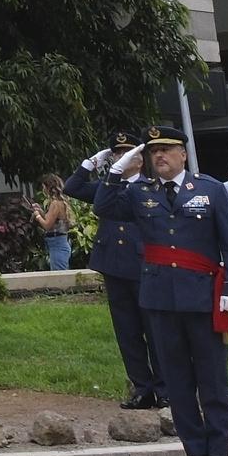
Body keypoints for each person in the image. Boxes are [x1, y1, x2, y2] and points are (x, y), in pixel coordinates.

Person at [111, 128, 228, 456]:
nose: (160, 157)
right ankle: (194, 451)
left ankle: (218, 451)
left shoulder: (209, 189)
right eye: (154, 152)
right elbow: (101, 205)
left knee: (212, 379)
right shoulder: (140, 192)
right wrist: (113, 172)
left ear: (183, 154)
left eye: (167, 150)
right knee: (177, 381)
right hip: (160, 299)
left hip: (203, 297)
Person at [65, 135, 165, 410]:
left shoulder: (151, 186)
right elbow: (72, 187)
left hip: (144, 265)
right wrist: (93, 161)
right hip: (114, 264)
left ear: (140, 158)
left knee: (154, 330)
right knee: (127, 331)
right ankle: (141, 389)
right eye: (117, 153)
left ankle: (164, 388)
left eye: (127, 153)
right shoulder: (108, 187)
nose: (121, 158)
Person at [32, 176, 75, 273]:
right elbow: (51, 219)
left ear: (49, 188)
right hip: (58, 243)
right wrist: (40, 211)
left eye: (44, 187)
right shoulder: (58, 202)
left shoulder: (55, 204)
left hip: (57, 244)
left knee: (59, 277)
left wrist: (37, 216)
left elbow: (47, 225)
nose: (43, 190)